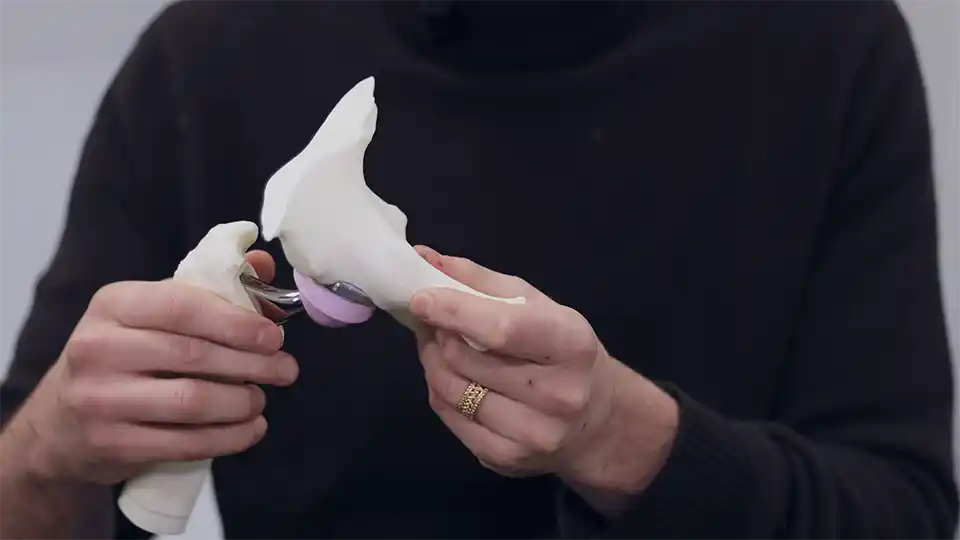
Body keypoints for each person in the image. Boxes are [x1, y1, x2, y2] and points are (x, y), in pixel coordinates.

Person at [0, 0, 955, 538]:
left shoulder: (826, 46)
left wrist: (627, 440)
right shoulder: (207, 60)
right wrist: (48, 449)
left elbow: (905, 511)